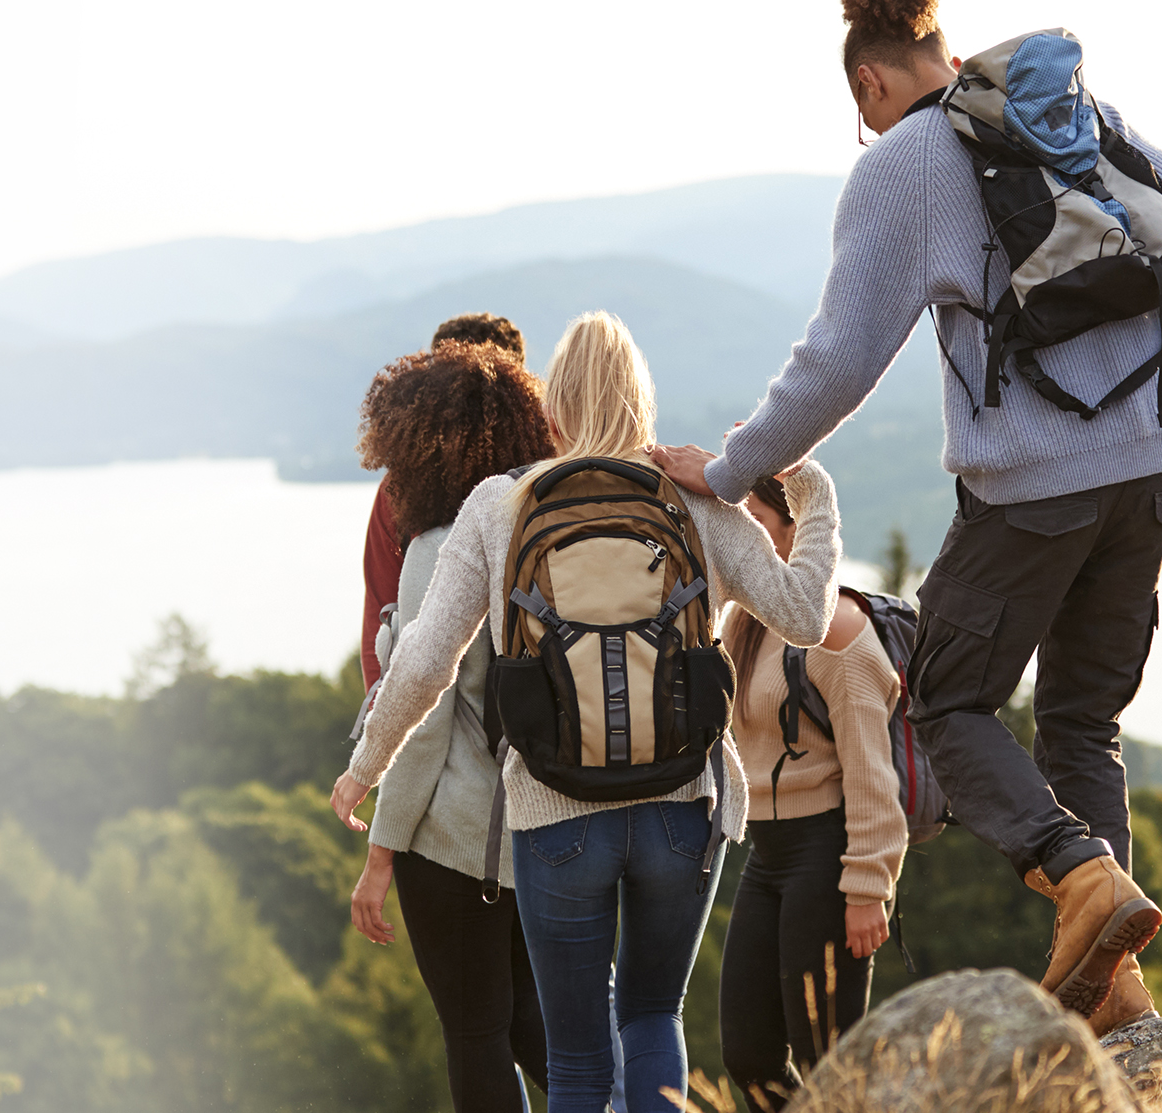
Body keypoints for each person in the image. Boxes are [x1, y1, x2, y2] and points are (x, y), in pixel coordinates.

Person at [650, 0, 1162, 1036]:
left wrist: (724, 474)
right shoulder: (1069, 113)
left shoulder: (899, 167)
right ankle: (1117, 999)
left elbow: (835, 362)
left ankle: (1077, 874)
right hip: (1152, 465)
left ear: (869, 86)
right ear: (944, 57)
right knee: (1081, 721)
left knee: (941, 697)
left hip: (1031, 492)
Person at [334, 311, 842, 1113]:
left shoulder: (500, 507)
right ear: (643, 397)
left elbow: (424, 660)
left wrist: (364, 768)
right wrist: (812, 494)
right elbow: (805, 615)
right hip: (683, 804)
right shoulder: (696, 497)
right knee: (651, 1015)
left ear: (556, 407)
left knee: (573, 1055)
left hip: (555, 814)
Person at [348, 336, 558, 1112]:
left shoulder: (439, 547)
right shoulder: (541, 531)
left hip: (456, 837)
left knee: (475, 1031)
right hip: (547, 824)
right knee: (536, 1019)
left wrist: (381, 850)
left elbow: (423, 720)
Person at [715, 476, 906, 1111]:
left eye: (757, 521)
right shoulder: (746, 621)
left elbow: (872, 771)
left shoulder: (838, 632)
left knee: (829, 1059)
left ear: (797, 533)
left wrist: (867, 888)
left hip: (826, 854)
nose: (742, 535)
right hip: (766, 856)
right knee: (749, 1057)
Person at [362, 313, 530, 690]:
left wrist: (380, 716)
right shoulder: (545, 478)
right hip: (532, 708)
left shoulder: (400, 491)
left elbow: (381, 617)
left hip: (427, 712)